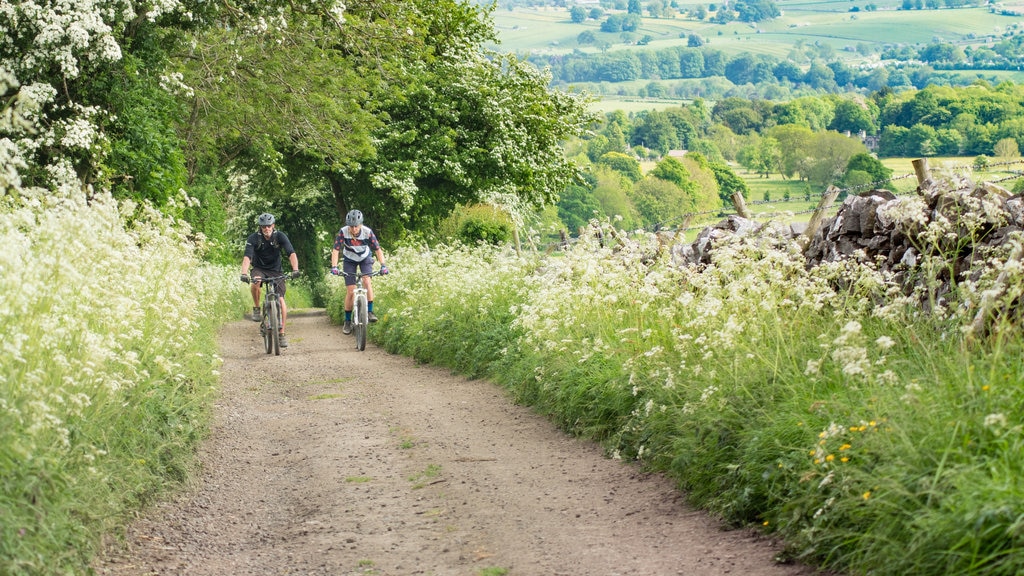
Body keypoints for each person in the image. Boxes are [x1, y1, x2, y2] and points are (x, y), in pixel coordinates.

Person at [240, 213, 300, 347]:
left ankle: (282, 333)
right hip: (259, 268)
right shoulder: (254, 238)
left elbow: (291, 253)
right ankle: (256, 307)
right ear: (260, 228)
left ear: (273, 225)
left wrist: (295, 269)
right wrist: (244, 272)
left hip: (276, 270)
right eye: (263, 227)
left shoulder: (280, 236)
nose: (266, 229)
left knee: (281, 300)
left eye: (268, 226)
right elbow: (247, 257)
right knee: (256, 281)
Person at [330, 209, 388, 335]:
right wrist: (334, 266)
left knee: (367, 281)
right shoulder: (343, 232)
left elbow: (378, 250)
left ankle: (370, 311)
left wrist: (383, 265)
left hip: (365, 257)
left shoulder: (367, 232)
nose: (354, 229)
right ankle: (347, 321)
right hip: (349, 259)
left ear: (360, 224)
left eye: (356, 226)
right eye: (351, 226)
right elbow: (336, 250)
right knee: (351, 290)